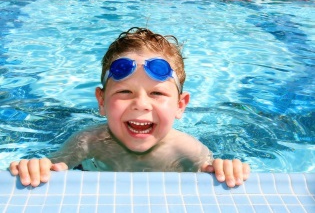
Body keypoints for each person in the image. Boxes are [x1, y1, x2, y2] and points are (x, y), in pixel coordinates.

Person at [10, 27, 250, 188]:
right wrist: (36, 167)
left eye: (157, 93)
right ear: (101, 101)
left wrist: (226, 168)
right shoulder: (87, 141)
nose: (141, 104)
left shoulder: (186, 149)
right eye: (125, 92)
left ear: (180, 105)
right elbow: (53, 167)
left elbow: (212, 175)